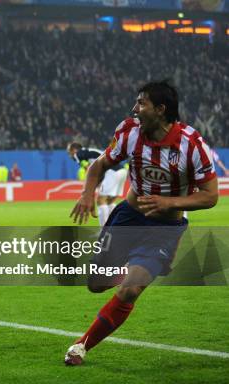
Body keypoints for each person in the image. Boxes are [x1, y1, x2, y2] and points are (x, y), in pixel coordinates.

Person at [65, 81, 218, 366]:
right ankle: (133, 268)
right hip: (127, 218)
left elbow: (211, 196)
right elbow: (99, 165)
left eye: (142, 103)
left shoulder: (191, 144)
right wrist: (87, 194)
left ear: (161, 110)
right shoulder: (128, 132)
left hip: (164, 230)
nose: (135, 109)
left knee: (130, 290)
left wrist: (170, 203)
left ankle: (81, 345)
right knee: (96, 283)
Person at [67, 142, 128, 226]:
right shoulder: (89, 152)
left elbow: (88, 168)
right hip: (122, 170)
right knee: (110, 201)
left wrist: (90, 188)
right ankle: (113, 228)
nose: (69, 155)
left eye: (69, 152)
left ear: (73, 150)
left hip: (111, 172)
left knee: (101, 201)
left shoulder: (78, 154)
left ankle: (103, 231)